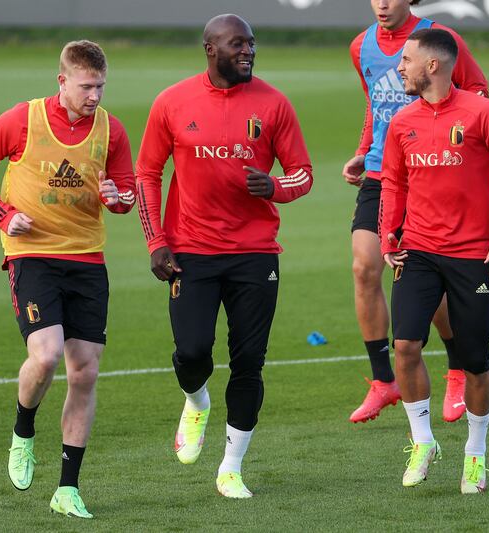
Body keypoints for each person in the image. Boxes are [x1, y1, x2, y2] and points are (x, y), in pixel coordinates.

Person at [135, 14, 313, 499]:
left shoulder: (274, 103)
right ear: (210, 49)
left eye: (252, 44)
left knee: (249, 361)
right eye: (238, 45)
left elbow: (302, 174)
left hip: (255, 253)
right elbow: (147, 174)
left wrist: (274, 186)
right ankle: (196, 400)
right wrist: (156, 241)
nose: (248, 52)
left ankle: (231, 467)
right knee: (192, 352)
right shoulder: (172, 102)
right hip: (190, 251)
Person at [0, 40, 136, 518]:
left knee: (86, 371)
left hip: (87, 260)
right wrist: (3, 215)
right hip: (32, 255)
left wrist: (115, 196)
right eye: (86, 86)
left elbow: (127, 198)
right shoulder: (23, 119)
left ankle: (67, 488)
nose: (95, 95)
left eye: (101, 86)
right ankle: (23, 431)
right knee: (47, 354)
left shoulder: (111, 130)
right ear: (62, 81)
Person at [380, 29, 489, 493]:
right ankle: (423, 441)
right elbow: (393, 183)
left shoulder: (482, 113)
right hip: (419, 252)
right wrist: (390, 234)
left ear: (434, 66)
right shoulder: (402, 121)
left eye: (406, 59)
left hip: (472, 256)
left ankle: (475, 453)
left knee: (474, 363)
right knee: (404, 347)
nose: (399, 68)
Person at [343, 0, 489, 425]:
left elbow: (478, 94)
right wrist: (361, 151)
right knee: (364, 267)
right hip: (379, 172)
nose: (382, 4)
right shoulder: (360, 46)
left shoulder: (438, 40)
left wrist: (449, 141)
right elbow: (375, 103)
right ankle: (382, 381)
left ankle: (458, 371)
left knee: (428, 276)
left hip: (428, 170)